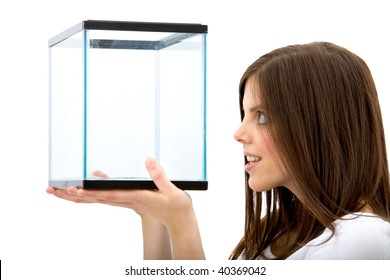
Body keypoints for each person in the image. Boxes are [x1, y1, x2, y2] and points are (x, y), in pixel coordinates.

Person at [47, 41, 390, 260]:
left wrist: (182, 223)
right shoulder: (280, 231)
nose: (239, 133)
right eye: (245, 114)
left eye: (263, 116)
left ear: (317, 124)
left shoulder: (361, 239)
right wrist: (154, 216)